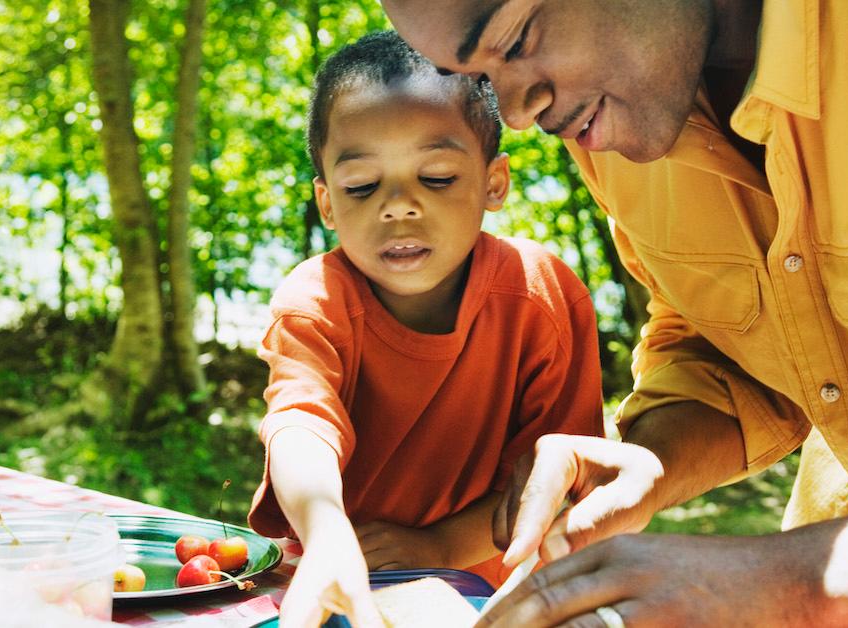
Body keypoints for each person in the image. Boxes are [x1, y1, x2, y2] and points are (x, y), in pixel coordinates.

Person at [378, 0, 848, 625]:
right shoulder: (609, 119)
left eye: (518, 39)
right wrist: (650, 463)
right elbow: (721, 335)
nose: (519, 114)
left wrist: (795, 584)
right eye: (480, 81)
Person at [245, 30, 603, 627]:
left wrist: (436, 549)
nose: (399, 205)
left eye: (436, 177)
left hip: (482, 598)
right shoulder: (315, 300)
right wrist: (327, 531)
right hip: (331, 580)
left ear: (494, 183)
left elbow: (551, 485)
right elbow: (300, 423)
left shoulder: (542, 297)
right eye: (362, 186)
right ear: (328, 202)